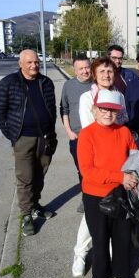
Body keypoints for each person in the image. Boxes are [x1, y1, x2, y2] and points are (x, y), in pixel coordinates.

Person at [77, 89, 138, 278]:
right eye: (103, 109)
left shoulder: (124, 131)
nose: (108, 113)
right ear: (94, 110)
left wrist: (134, 177)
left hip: (121, 194)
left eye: (113, 110)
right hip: (95, 195)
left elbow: (135, 157)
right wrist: (120, 177)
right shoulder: (86, 134)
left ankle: (123, 272)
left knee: (122, 236)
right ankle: (99, 277)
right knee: (100, 238)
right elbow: (87, 171)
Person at [72, 57, 128, 278]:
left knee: (114, 215)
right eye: (102, 71)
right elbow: (92, 130)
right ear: (94, 74)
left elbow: (122, 121)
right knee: (92, 217)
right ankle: (80, 253)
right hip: (97, 165)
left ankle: (112, 257)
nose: (106, 75)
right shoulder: (87, 98)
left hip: (118, 166)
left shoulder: (120, 96)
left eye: (110, 71)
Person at [0, 49, 56, 237]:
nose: (34, 65)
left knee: (39, 175)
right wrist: (14, 135)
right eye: (29, 62)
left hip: (45, 138)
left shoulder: (46, 82)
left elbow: (51, 108)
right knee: (25, 178)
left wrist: (50, 131)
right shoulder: (9, 83)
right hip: (23, 139)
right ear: (20, 64)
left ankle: (35, 205)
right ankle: (26, 214)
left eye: (36, 62)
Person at [60, 55, 92, 208]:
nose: (85, 71)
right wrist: (68, 131)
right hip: (77, 137)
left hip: (94, 137)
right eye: (81, 68)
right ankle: (86, 197)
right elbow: (64, 109)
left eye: (87, 67)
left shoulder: (96, 84)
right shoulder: (68, 86)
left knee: (96, 169)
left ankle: (95, 197)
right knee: (82, 170)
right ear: (75, 70)